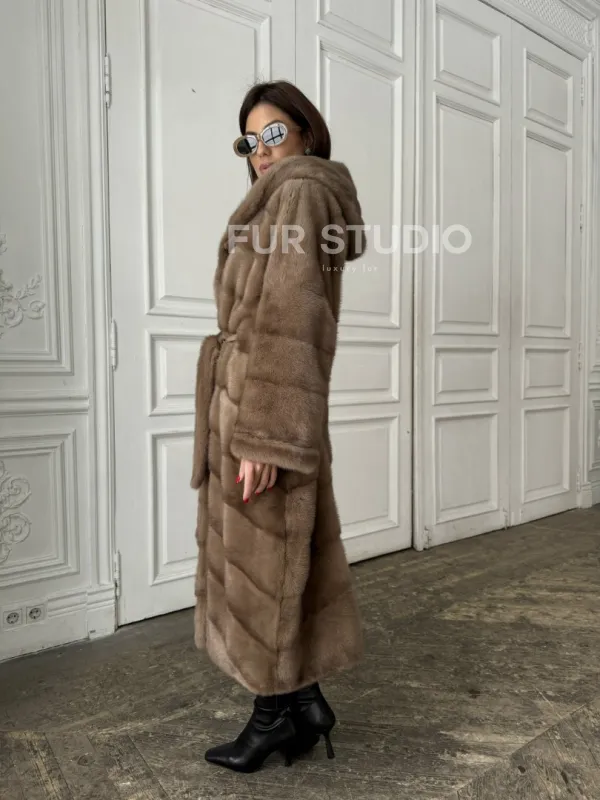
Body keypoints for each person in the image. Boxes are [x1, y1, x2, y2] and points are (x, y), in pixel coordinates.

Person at [191, 80, 366, 773]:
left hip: (266, 406)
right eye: (249, 141)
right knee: (285, 557)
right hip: (252, 398)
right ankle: (304, 704)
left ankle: (270, 719)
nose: (261, 151)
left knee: (265, 562)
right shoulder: (286, 196)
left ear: (306, 134)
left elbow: (293, 318)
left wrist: (264, 436)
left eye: (273, 134)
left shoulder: (300, 192)